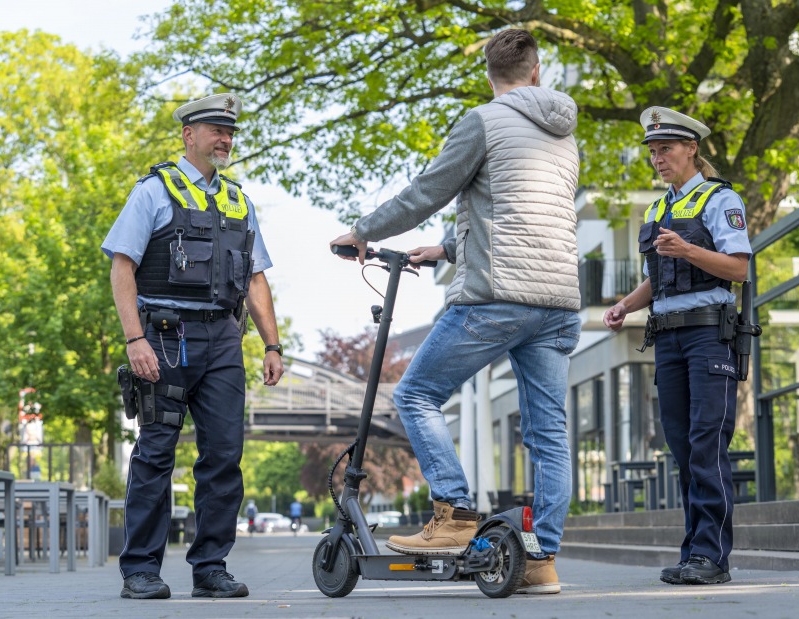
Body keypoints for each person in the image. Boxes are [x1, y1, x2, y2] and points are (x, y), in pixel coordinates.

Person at [330, 29, 581, 595]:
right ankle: (540, 562)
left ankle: (455, 513)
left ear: (489, 74)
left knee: (415, 393)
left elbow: (429, 190)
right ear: (536, 73)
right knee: (549, 434)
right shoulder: (564, 136)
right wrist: (447, 248)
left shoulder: (484, 120)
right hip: (559, 302)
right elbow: (519, 208)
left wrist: (363, 231)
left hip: (498, 297)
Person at [103, 93, 285, 600]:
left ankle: (211, 567)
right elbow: (122, 267)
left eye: (229, 131)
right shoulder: (153, 192)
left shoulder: (239, 201)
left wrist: (273, 345)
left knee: (224, 455)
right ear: (189, 135)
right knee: (156, 453)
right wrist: (134, 338)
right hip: (164, 336)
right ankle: (140, 570)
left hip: (225, 339)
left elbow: (256, 279)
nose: (224, 139)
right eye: (214, 130)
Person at [602, 106, 752, 585]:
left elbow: (738, 268)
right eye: (652, 151)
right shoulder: (657, 209)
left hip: (709, 334)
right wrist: (624, 306)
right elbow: (656, 277)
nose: (657, 158)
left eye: (665, 149)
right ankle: (693, 554)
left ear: (691, 149)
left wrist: (688, 249)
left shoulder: (719, 199)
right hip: (666, 337)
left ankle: (713, 557)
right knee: (683, 449)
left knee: (707, 443)